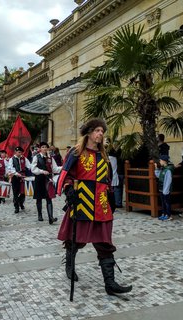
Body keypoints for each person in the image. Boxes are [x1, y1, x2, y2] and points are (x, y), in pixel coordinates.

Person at [56, 118, 132, 296]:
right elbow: (66, 175)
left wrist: (111, 199)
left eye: (102, 131)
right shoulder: (76, 153)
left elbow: (107, 180)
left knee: (105, 243)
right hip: (82, 202)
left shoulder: (104, 156)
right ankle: (69, 263)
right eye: (98, 130)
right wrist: (68, 190)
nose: (100, 134)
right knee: (77, 240)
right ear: (89, 132)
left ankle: (110, 283)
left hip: (101, 205)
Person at [30, 141, 62, 224]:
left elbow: (55, 169)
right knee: (39, 198)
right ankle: (40, 215)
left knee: (49, 198)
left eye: (45, 147)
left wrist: (63, 167)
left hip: (47, 181)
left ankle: (50, 217)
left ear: (47, 149)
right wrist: (42, 171)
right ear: (40, 149)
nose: (44, 149)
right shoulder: (36, 157)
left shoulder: (50, 158)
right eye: (42, 147)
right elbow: (33, 169)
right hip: (39, 179)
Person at [8, 146, 32, 213]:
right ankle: (16, 207)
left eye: (21, 152)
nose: (20, 153)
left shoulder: (24, 158)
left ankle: (21, 203)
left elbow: (29, 166)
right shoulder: (11, 159)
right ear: (15, 152)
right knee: (15, 192)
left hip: (23, 177)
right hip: (15, 177)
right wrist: (16, 173)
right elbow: (10, 168)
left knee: (23, 192)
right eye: (19, 152)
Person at [154, 155, 174, 221]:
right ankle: (164, 213)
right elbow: (158, 176)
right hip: (161, 189)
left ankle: (169, 215)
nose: (159, 162)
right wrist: (156, 169)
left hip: (166, 190)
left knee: (167, 203)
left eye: (160, 160)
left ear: (164, 161)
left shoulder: (168, 170)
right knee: (163, 202)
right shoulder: (163, 169)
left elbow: (168, 181)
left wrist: (166, 190)